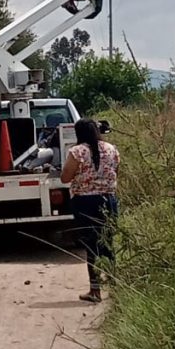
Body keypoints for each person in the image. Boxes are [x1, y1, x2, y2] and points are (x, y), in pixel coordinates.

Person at [61, 118, 119, 303]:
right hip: (108, 200)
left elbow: (65, 177)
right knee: (107, 242)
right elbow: (116, 170)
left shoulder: (77, 152)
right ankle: (116, 287)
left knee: (90, 244)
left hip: (85, 202)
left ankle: (95, 290)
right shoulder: (111, 149)